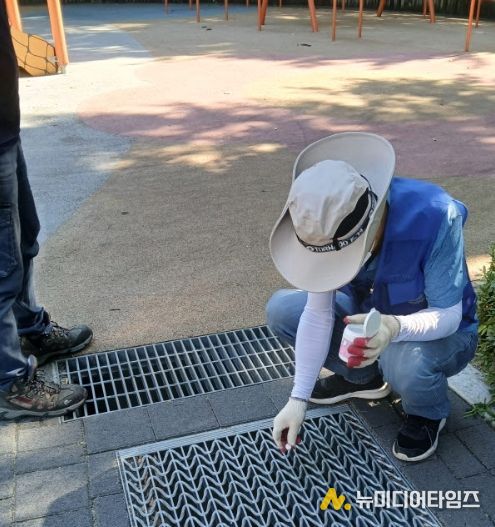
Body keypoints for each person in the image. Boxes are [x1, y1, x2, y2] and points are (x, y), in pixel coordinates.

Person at [266, 132, 478, 462]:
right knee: (283, 309)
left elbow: (448, 315)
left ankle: (426, 413)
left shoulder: (436, 214)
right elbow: (317, 313)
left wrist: (393, 328)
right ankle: (363, 378)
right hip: (369, 314)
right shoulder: (324, 218)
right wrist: (298, 399)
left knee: (404, 361)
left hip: (440, 331)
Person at [0, 0, 91, 419]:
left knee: (23, 239)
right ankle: (9, 382)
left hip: (6, 126)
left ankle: (29, 328)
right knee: (2, 262)